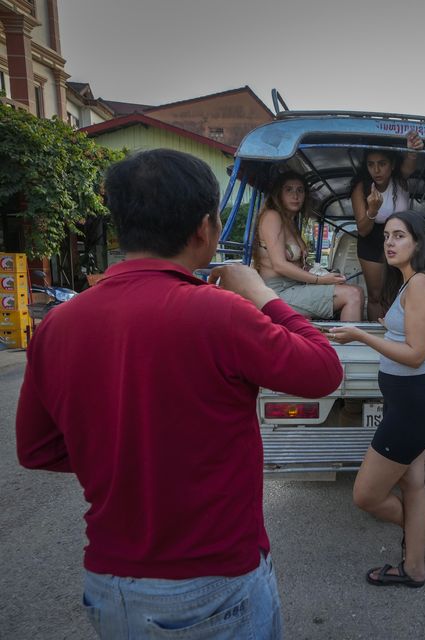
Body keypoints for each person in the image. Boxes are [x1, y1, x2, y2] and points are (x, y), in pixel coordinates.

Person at [15, 149, 344, 639]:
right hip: (215, 585)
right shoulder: (220, 313)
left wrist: (123, 452)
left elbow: (38, 449)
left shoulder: (58, 323)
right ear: (203, 229)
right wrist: (262, 295)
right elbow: (323, 369)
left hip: (111, 585)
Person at [327, 210, 425, 589]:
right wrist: (388, 326)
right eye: (386, 237)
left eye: (399, 236)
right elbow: (410, 333)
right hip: (410, 401)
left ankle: (415, 534)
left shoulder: (422, 285)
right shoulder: (412, 283)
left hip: (414, 405)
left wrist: (360, 336)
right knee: (413, 484)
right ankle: (414, 567)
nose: (389, 243)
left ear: (418, 243)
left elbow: (415, 353)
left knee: (366, 495)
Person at [255, 171, 364, 321]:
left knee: (352, 288)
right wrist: (320, 280)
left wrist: (325, 275)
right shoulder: (272, 217)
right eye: (289, 190)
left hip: (294, 287)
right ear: (278, 194)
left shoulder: (291, 222)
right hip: (277, 292)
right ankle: (347, 343)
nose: (295, 195)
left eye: (300, 190)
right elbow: (279, 265)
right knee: (353, 295)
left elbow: (298, 265)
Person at [350, 130, 423, 319]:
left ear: (392, 165)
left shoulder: (401, 179)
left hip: (401, 238)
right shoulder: (361, 187)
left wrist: (412, 151)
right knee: (375, 296)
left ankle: (400, 336)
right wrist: (372, 210)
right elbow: (363, 230)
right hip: (372, 239)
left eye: (382, 164)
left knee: (401, 292)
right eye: (371, 165)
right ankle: (376, 340)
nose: (376, 170)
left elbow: (410, 164)